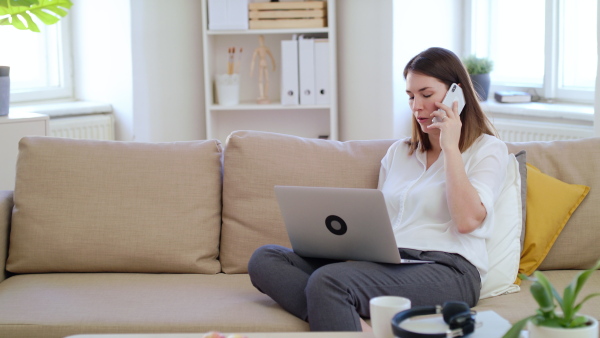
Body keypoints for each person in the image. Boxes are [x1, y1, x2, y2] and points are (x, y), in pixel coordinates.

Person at [247, 47, 509, 332]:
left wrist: (450, 147)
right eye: (410, 96)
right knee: (265, 259)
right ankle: (344, 315)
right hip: (390, 261)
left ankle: (333, 303)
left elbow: (467, 220)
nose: (416, 106)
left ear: (456, 94)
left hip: (448, 269)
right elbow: (380, 221)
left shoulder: (488, 149)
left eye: (426, 94)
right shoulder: (400, 153)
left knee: (329, 281)